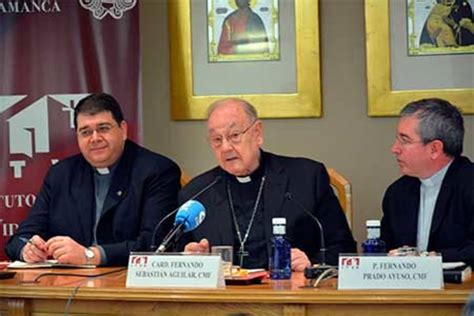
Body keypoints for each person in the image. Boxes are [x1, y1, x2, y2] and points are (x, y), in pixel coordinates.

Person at [177, 98, 356, 271]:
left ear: (258, 133)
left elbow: (344, 249)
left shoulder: (306, 178)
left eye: (234, 135)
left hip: (288, 294)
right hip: (224, 299)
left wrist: (312, 262)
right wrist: (189, 260)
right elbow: (175, 256)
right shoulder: (196, 193)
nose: (225, 147)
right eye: (216, 139)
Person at [6, 93, 181, 266]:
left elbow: (156, 244)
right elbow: (21, 238)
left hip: (126, 284)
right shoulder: (61, 174)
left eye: (103, 128)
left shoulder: (157, 171)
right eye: (86, 132)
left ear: (123, 130)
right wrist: (27, 250)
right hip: (66, 283)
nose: (95, 138)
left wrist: (90, 255)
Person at [381, 98, 474, 267]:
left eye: (405, 140)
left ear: (435, 149)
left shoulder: (469, 184)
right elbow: (386, 249)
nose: (394, 148)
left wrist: (428, 258)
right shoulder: (397, 193)